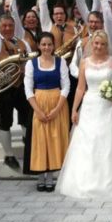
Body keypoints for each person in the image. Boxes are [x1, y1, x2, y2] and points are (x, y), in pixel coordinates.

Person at [56, 30, 112, 198]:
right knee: (88, 143)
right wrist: (74, 109)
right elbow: (80, 88)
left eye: (102, 44)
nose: (99, 47)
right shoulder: (84, 62)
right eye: (96, 43)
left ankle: (111, 180)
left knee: (108, 143)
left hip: (109, 107)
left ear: (107, 45)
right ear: (91, 45)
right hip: (90, 106)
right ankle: (85, 181)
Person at [0, 7, 32, 170]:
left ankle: (28, 149)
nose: (8, 28)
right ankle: (9, 155)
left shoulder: (22, 42)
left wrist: (26, 68)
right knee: (6, 120)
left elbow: (30, 61)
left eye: (10, 25)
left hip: (21, 85)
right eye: (4, 26)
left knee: (26, 116)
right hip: (3, 87)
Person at [23, 32, 71, 192]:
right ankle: (40, 176)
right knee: (40, 141)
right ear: (38, 45)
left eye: (49, 44)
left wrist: (57, 109)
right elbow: (28, 89)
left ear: (53, 45)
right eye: (43, 44)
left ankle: (50, 177)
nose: (46, 47)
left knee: (54, 139)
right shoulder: (31, 64)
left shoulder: (61, 62)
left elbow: (66, 86)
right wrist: (37, 110)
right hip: (39, 105)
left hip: (58, 104)